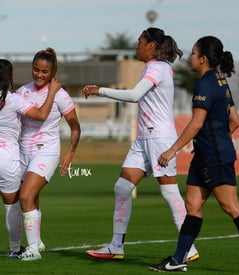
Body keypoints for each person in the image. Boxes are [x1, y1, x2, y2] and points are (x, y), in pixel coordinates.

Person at [148, 36, 239, 273]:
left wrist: (172, 150)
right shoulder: (220, 80)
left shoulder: (206, 83)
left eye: (194, 53)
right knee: (193, 205)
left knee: (231, 206)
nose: (191, 57)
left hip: (214, 157)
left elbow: (196, 124)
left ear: (203, 58)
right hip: (207, 154)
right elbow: (234, 121)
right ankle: (178, 260)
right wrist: (215, 139)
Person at [82, 27, 199, 262]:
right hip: (144, 139)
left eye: (140, 42)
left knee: (169, 191)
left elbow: (135, 95)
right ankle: (116, 246)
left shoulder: (158, 67)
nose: (136, 45)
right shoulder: (153, 67)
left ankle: (190, 248)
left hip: (159, 139)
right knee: (122, 188)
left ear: (151, 46)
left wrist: (100, 91)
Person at [0, 59, 61, 260]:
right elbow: (42, 115)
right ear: (11, 77)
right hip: (7, 160)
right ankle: (15, 248)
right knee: (12, 206)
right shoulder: (14, 99)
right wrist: (52, 92)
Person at [15, 47, 81, 261]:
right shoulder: (22, 91)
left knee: (26, 196)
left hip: (47, 151)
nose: (39, 75)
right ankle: (38, 241)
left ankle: (33, 250)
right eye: (36, 70)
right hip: (23, 150)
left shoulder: (60, 95)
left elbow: (75, 126)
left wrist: (70, 152)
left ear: (52, 72)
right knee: (27, 198)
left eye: (44, 71)